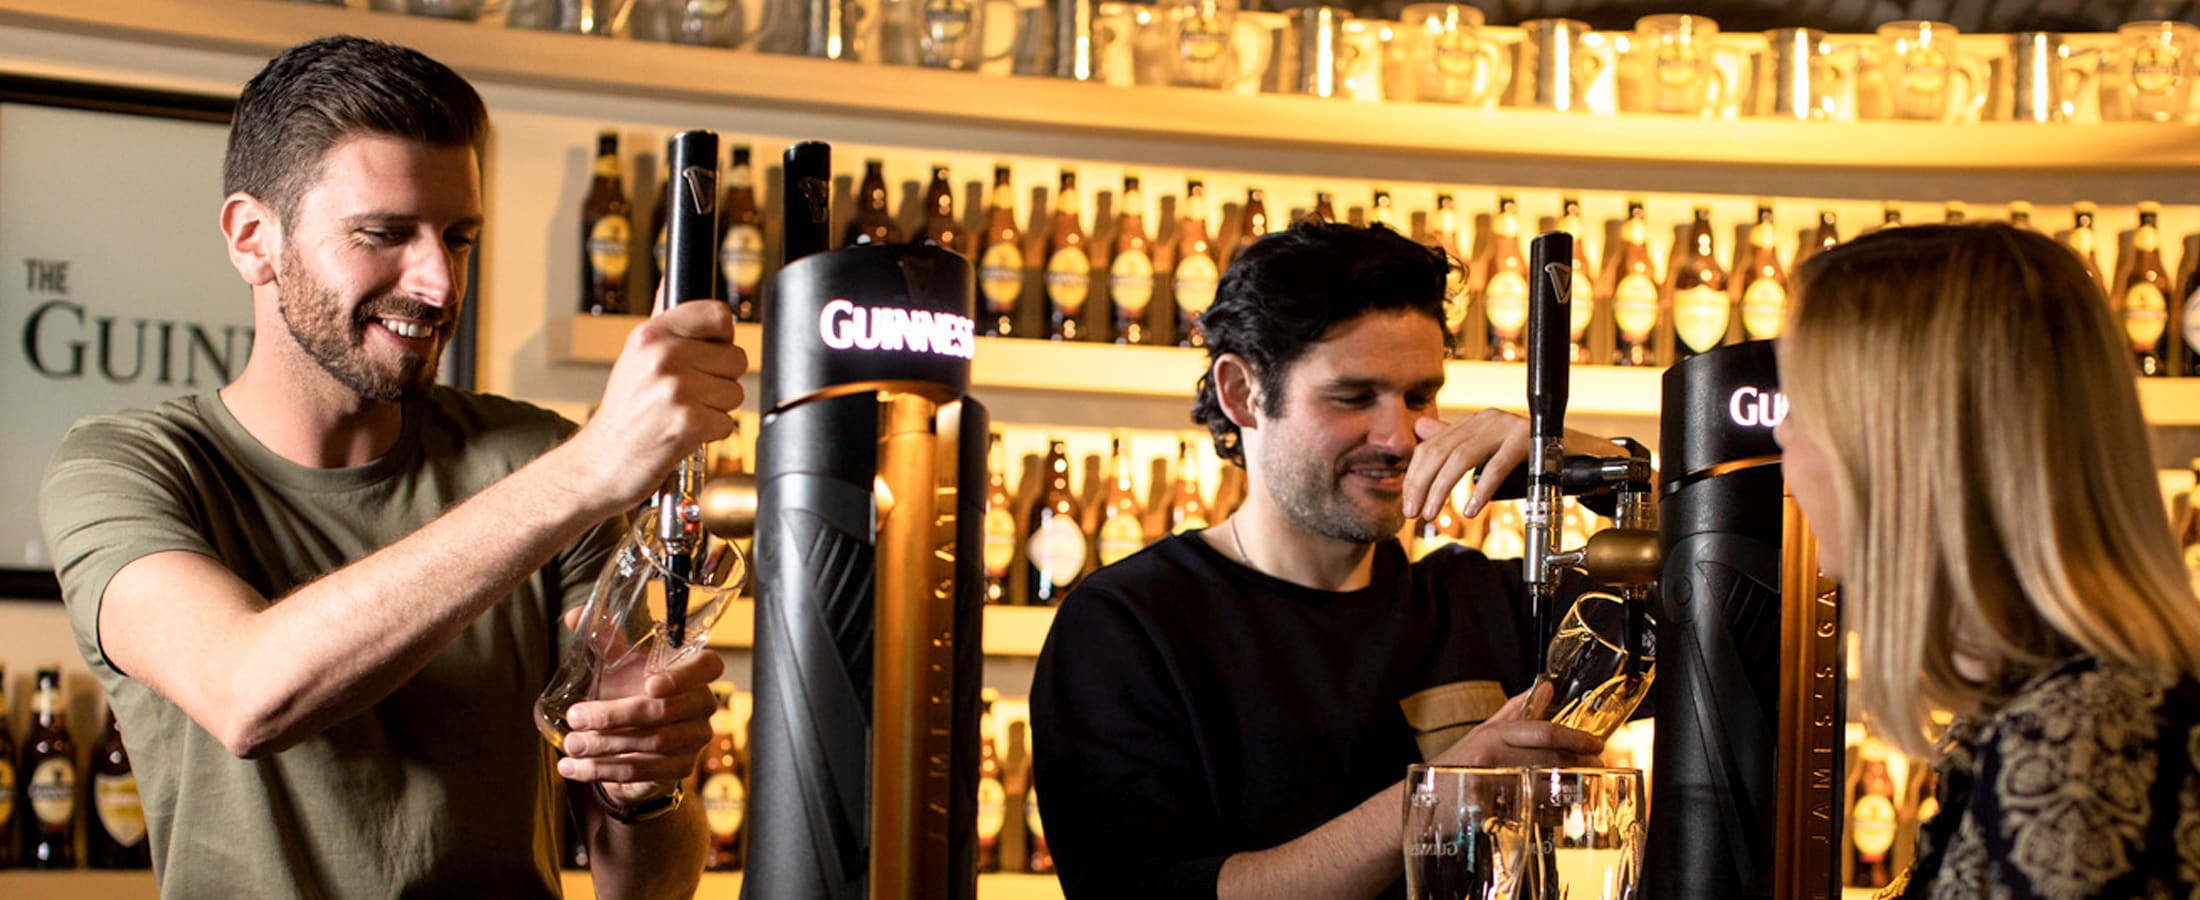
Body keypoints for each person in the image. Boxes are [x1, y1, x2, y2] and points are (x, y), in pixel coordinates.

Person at [37, 36, 746, 898]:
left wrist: (645, 788)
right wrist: (593, 466)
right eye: (384, 234)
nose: (440, 283)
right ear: (253, 238)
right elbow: (248, 695)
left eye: (459, 238)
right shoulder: (129, 469)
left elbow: (645, 885)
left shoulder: (533, 459)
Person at [1030, 221, 1627, 900]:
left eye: (1419, 396)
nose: (1398, 436)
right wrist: (1436, 797)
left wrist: (1598, 469)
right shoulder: (1127, 627)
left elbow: (1754, 622)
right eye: (1353, 397)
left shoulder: (1487, 599)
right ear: (1241, 393)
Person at [1775, 223, 2200, 897]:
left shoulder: (2077, 746)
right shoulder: (2054, 710)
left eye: (1801, 406)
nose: (1780, 435)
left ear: (1909, 456)